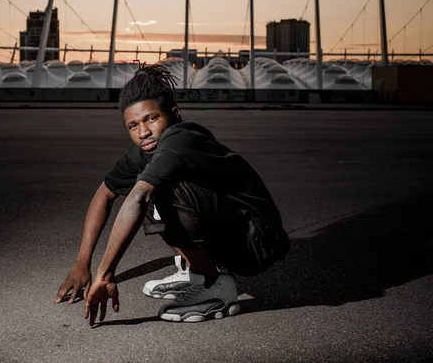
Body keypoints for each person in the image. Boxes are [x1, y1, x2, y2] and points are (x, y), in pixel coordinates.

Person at [55, 63, 288, 325]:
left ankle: (214, 285)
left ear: (174, 114)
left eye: (151, 119)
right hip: (233, 233)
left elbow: (139, 198)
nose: (143, 132)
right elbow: (104, 194)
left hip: (257, 242)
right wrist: (82, 264)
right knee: (146, 185)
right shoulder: (146, 149)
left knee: (152, 190)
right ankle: (195, 270)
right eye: (133, 126)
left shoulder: (182, 138)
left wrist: (105, 274)